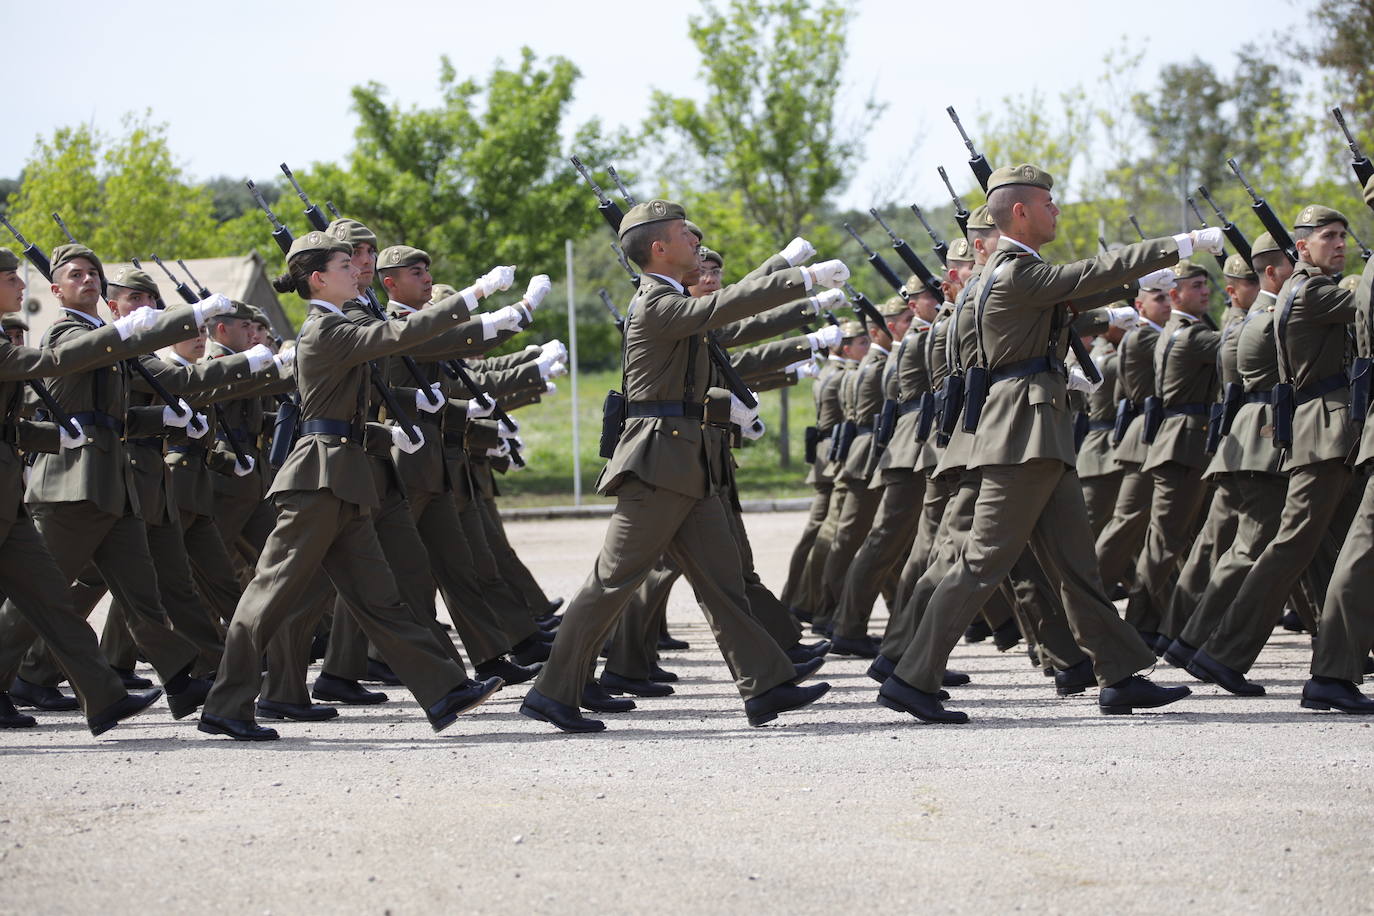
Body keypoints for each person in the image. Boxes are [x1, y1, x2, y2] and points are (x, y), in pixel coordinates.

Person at [877, 164, 1209, 723]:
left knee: (1077, 566)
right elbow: (1093, 272)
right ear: (1022, 212)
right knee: (981, 562)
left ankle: (1120, 674)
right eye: (1049, 204)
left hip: (1036, 429)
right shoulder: (1012, 273)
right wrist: (1178, 245)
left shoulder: (996, 275)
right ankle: (913, 676)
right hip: (1022, 434)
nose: (1058, 211)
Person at [520, 200, 843, 733]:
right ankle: (553, 693)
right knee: (611, 583)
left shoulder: (675, 300)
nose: (696, 243)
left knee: (723, 582)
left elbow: (723, 323)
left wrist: (788, 282)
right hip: (657, 462)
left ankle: (766, 685)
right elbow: (719, 309)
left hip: (687, 462)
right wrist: (799, 276)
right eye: (684, 237)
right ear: (658, 249)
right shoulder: (654, 304)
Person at [197, 231, 510, 741]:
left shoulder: (337, 326)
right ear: (318, 278)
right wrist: (473, 297)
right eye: (346, 265)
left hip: (346, 477)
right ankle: (226, 705)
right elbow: (392, 339)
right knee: (268, 595)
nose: (355, 271)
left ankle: (445, 690)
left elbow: (342, 411)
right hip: (319, 480)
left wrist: (384, 431)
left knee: (379, 598)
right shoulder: (324, 330)